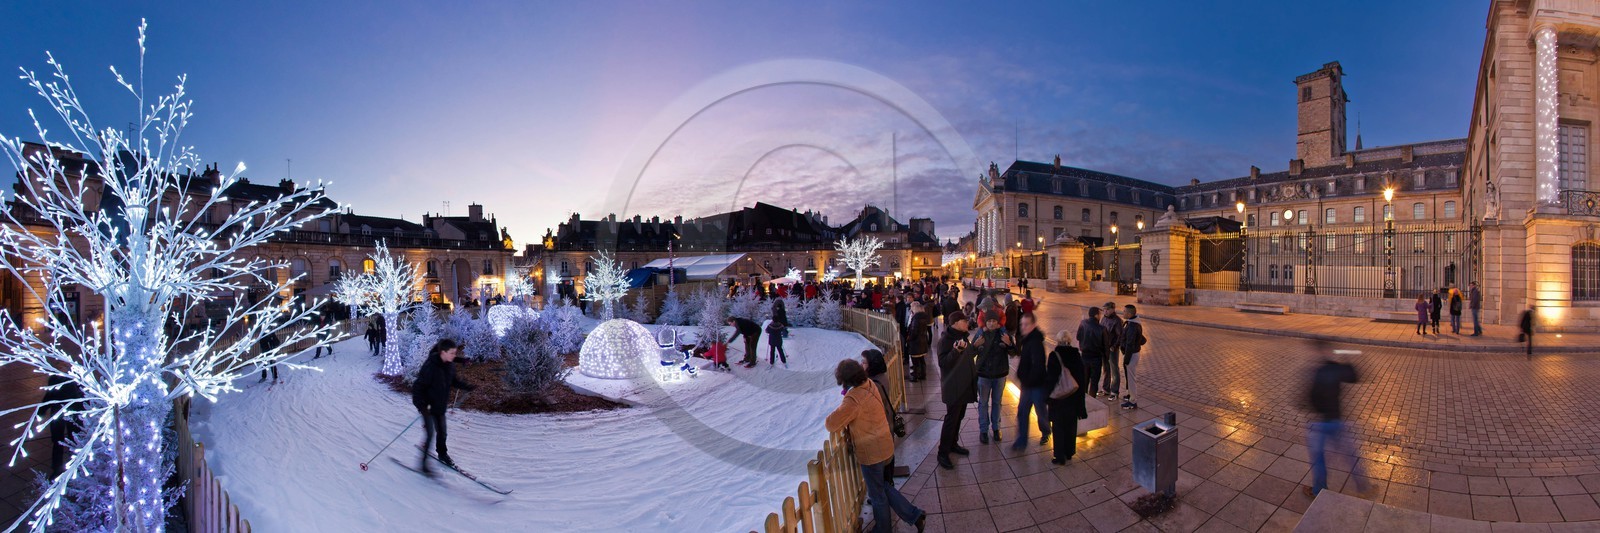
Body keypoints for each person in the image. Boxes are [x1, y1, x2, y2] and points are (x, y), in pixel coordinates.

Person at [826, 359, 926, 533]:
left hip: (872, 453)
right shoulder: (869, 383)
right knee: (883, 486)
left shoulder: (854, 398)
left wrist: (844, 402)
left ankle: (883, 529)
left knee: (877, 494)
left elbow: (831, 424)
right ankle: (915, 515)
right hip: (885, 445)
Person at [1305, 346, 1363, 497]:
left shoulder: (1316, 371)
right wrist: (1347, 359)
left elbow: (1308, 399)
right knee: (1350, 456)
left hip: (1320, 422)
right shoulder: (1336, 368)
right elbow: (1354, 376)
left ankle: (1318, 491)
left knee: (1318, 459)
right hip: (1337, 419)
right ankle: (1363, 488)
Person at [413, 338, 476, 472]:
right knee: (430, 434)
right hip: (427, 407)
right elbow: (418, 387)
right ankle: (423, 465)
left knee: (442, 433)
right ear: (443, 352)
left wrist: (467, 387)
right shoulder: (430, 366)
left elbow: (454, 381)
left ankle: (442, 454)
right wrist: (421, 405)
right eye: (452, 353)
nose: (455, 356)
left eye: (455, 353)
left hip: (440, 406)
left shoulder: (450, 366)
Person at [935, 311, 977, 469]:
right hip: (954, 387)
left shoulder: (963, 336)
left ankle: (953, 444)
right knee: (951, 420)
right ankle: (942, 453)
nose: (967, 323)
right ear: (956, 323)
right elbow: (943, 363)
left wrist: (975, 347)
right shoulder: (945, 340)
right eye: (964, 321)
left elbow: (968, 355)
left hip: (964, 385)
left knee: (959, 417)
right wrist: (956, 351)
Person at [1047, 330, 1087, 464]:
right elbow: (1082, 379)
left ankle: (1059, 456)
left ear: (1058, 341)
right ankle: (1069, 452)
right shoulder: (1076, 355)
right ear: (1069, 341)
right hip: (1073, 397)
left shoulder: (1054, 355)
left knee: (1058, 427)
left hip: (1058, 399)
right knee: (1071, 426)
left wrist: (1047, 397)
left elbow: (1051, 379)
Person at [973, 311, 1013, 445]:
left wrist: (1010, 344)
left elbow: (1014, 353)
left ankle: (996, 428)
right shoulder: (980, 333)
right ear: (985, 322)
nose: (991, 323)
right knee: (983, 403)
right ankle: (983, 430)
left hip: (999, 374)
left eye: (994, 321)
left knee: (997, 402)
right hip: (983, 374)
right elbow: (970, 353)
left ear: (997, 323)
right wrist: (974, 346)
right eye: (989, 321)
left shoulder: (1003, 334)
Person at [1011, 312, 1050, 451]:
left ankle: (1046, 432)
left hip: (1036, 386)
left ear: (1033, 325)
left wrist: (1027, 379)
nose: (1023, 327)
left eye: (1026, 324)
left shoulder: (1035, 342)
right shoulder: (1027, 339)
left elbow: (1038, 366)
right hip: (1027, 385)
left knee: (1041, 413)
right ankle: (1021, 441)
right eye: (1021, 324)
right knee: (1022, 412)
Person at [42, 363, 84, 477]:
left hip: (62, 414)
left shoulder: (56, 379)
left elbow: (48, 397)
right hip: (69, 415)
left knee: (61, 441)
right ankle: (71, 467)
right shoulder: (75, 380)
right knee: (69, 440)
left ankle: (59, 468)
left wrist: (41, 411)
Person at [1119, 305, 1146, 410]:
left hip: (1131, 355)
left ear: (1130, 314)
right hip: (1132, 353)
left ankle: (1133, 402)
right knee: (1130, 377)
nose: (1123, 313)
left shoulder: (1132, 326)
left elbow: (1129, 344)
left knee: (1131, 379)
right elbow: (1142, 339)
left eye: (1124, 311)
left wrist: (1126, 359)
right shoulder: (1133, 323)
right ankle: (1130, 395)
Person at [1077, 307, 1107, 397]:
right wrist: (1106, 359)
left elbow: (1078, 337)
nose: (1100, 316)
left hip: (1084, 357)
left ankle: (1084, 400)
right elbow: (1106, 346)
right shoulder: (1102, 328)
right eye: (1099, 314)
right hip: (1096, 358)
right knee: (1094, 382)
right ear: (1096, 315)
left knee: (1084, 380)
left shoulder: (1083, 323)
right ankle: (1092, 400)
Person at [1098, 302, 1123, 401]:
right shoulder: (1103, 318)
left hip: (1112, 349)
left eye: (1107, 309)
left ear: (1113, 309)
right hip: (1104, 348)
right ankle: (1106, 389)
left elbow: (1120, 336)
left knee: (1114, 370)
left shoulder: (1117, 321)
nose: (1105, 311)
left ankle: (1115, 391)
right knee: (1105, 369)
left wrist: (1114, 346)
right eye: (1104, 309)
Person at [905, 302, 932, 382]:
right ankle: (923, 375)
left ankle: (915, 377)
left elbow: (914, 332)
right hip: (923, 341)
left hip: (916, 343)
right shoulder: (924, 317)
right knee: (921, 360)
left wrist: (908, 339)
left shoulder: (916, 319)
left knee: (915, 361)